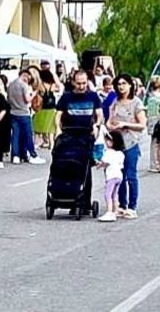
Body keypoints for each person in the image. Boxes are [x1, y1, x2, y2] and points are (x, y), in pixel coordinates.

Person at [55, 70, 104, 208]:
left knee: (85, 169)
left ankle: (85, 201)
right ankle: (66, 195)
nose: (82, 86)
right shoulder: (66, 97)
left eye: (84, 83)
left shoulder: (93, 96)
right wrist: (58, 129)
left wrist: (97, 124)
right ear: (73, 82)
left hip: (86, 135)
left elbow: (99, 114)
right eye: (79, 83)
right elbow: (58, 115)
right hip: (69, 134)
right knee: (66, 163)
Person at [107, 74, 147, 219]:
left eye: (124, 83)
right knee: (119, 176)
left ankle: (132, 206)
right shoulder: (115, 102)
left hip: (131, 143)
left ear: (130, 85)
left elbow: (142, 124)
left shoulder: (136, 103)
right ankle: (121, 205)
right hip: (117, 143)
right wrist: (110, 126)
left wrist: (126, 125)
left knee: (131, 175)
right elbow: (109, 120)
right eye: (118, 84)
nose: (121, 86)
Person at [7, 70, 45, 164]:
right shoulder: (23, 85)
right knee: (28, 135)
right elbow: (27, 99)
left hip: (13, 112)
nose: (29, 80)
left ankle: (15, 156)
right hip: (24, 113)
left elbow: (8, 98)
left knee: (15, 135)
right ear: (26, 75)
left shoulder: (11, 84)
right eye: (29, 78)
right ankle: (32, 155)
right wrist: (35, 93)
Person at [96, 129, 125, 222]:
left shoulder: (108, 153)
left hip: (111, 176)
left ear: (112, 142)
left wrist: (99, 165)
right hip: (119, 176)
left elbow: (105, 162)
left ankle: (109, 212)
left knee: (108, 194)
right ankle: (115, 211)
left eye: (107, 141)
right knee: (115, 194)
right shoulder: (120, 153)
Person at [33, 68, 59, 150]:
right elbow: (58, 88)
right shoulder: (53, 85)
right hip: (52, 109)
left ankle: (36, 143)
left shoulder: (41, 85)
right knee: (50, 129)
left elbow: (36, 92)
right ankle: (51, 144)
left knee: (38, 127)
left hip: (42, 109)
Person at [145, 76, 160, 171]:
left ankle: (155, 163)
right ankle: (156, 163)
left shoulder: (150, 96)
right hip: (158, 121)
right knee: (157, 143)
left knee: (154, 142)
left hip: (151, 120)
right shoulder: (159, 97)